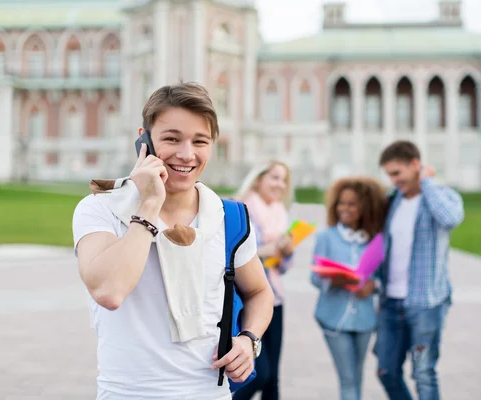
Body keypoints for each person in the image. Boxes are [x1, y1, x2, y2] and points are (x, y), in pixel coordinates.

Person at [71, 82, 274, 400]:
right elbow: (109, 291)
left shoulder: (228, 217)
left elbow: (260, 292)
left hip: (210, 393)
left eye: (200, 141)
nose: (186, 154)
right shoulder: (101, 209)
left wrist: (250, 339)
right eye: (172, 139)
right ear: (144, 139)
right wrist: (149, 205)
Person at [374, 140, 464, 400]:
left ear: (415, 165)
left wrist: (426, 182)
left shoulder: (441, 195)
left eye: (397, 173)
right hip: (390, 302)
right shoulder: (394, 202)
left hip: (426, 302)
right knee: (386, 371)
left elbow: (450, 219)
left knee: (424, 373)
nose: (393, 180)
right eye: (389, 174)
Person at [310, 177, 388, 400]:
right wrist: (338, 280)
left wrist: (372, 286)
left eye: (352, 204)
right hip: (334, 319)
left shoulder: (375, 241)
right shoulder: (326, 237)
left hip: (364, 320)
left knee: (357, 376)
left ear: (365, 207)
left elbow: (382, 278)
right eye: (341, 203)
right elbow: (315, 278)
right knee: (348, 380)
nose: (345, 208)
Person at [231, 160, 295, 400]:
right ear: (259, 179)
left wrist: (286, 253)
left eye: (283, 179)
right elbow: (234, 255)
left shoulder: (280, 213)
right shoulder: (241, 209)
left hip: (275, 298)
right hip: (248, 297)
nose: (280, 184)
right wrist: (269, 249)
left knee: (273, 377)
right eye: (274, 177)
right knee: (259, 372)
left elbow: (285, 266)